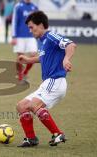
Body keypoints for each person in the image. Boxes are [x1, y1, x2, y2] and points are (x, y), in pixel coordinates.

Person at [16, 11, 76, 147]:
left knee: (33, 105)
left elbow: (71, 45)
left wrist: (66, 59)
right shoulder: (42, 41)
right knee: (21, 106)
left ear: (41, 25)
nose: (30, 31)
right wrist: (28, 59)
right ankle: (31, 139)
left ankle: (58, 134)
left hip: (56, 80)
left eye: (32, 27)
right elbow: (43, 58)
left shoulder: (51, 36)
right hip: (48, 83)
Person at [11, 0, 38, 81]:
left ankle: (25, 72)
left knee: (33, 55)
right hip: (20, 36)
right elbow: (14, 21)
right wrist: (14, 36)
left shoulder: (34, 7)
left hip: (31, 36)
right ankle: (19, 75)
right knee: (20, 57)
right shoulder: (18, 6)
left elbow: (38, 22)